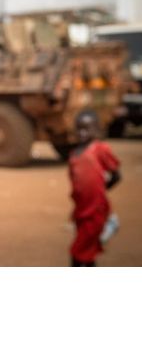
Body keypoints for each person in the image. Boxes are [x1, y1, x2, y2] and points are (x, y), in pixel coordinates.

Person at [68, 110, 122, 267]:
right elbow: (77, 185)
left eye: (87, 128)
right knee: (87, 253)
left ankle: (109, 223)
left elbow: (116, 175)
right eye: (79, 128)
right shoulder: (74, 155)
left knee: (77, 252)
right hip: (81, 211)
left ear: (97, 129)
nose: (82, 132)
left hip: (96, 210)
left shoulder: (100, 149)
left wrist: (100, 193)